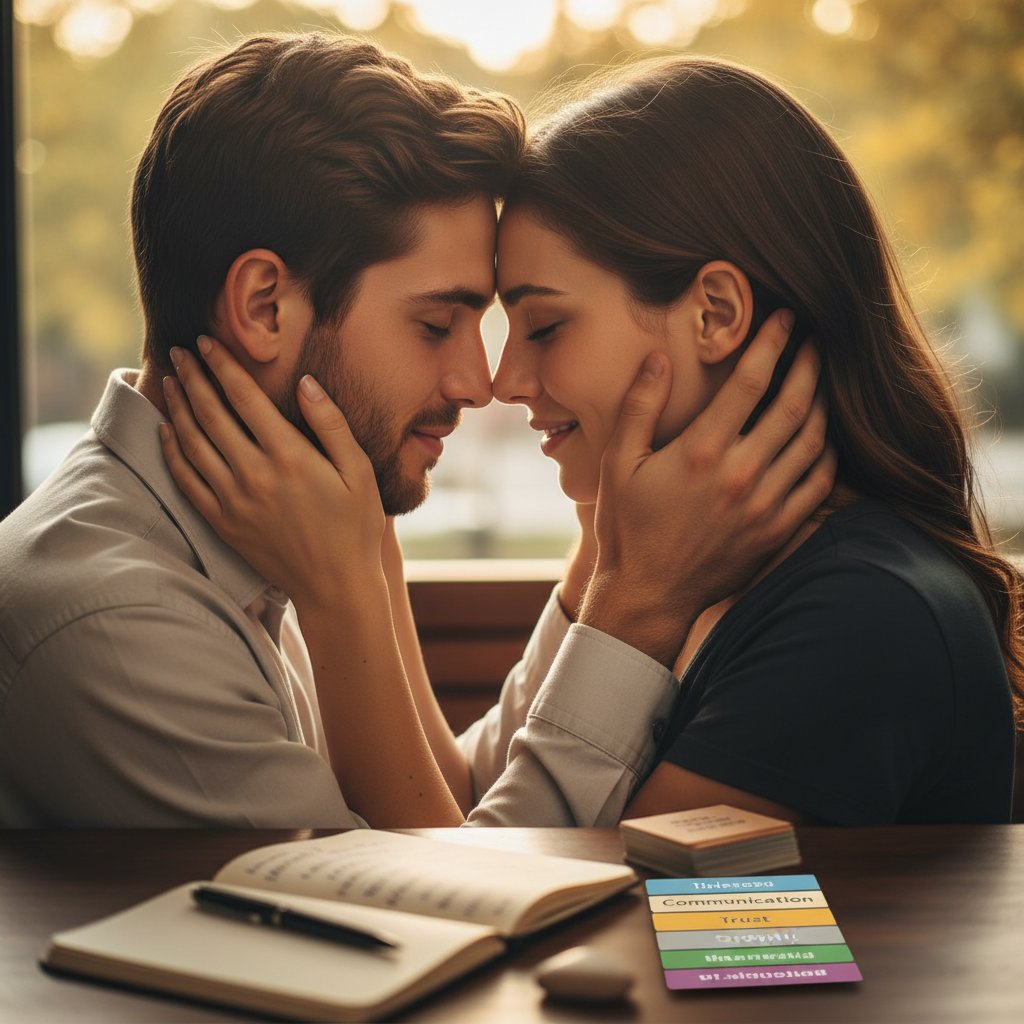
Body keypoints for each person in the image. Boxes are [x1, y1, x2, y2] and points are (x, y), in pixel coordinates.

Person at [164, 56, 1020, 825]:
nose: (503, 381)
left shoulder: (860, 618)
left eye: (545, 325)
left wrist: (340, 589)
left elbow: (478, 911)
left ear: (714, 315)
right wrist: (367, 532)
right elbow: (472, 795)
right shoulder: (693, 556)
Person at [0, 35, 830, 827]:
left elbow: (462, 799)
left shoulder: (260, 528)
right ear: (264, 307)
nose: (480, 384)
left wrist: (604, 557)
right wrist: (637, 607)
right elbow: (431, 917)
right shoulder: (120, 623)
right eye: (437, 325)